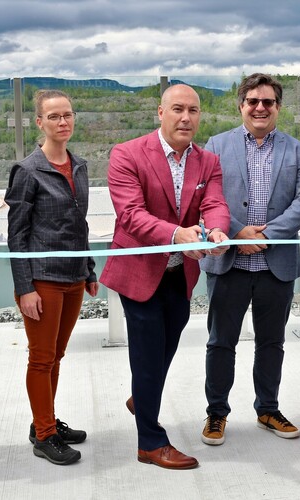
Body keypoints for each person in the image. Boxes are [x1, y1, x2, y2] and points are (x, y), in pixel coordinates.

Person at [100, 83, 230, 470]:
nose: (186, 117)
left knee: (166, 346)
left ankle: (142, 396)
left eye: (193, 110)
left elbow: (215, 203)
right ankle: (150, 442)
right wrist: (178, 234)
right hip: (139, 273)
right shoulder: (127, 154)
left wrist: (218, 232)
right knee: (147, 351)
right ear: (161, 112)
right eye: (177, 109)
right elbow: (131, 215)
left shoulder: (207, 161)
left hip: (180, 272)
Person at [200, 73, 300, 446]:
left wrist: (265, 235)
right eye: (253, 101)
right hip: (229, 263)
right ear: (241, 106)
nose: (260, 108)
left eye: (268, 102)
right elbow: (206, 199)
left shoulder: (297, 151)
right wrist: (238, 234)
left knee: (271, 343)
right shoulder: (216, 146)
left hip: (275, 265)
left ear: (278, 108)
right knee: (221, 342)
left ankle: (267, 408)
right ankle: (216, 413)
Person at [5, 89, 99, 466]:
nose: (63, 122)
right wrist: (24, 288)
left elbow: (80, 224)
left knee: (56, 355)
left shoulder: (79, 165)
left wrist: (89, 269)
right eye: (55, 116)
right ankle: (44, 435)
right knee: (41, 358)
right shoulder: (27, 170)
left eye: (68, 115)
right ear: (39, 122)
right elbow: (16, 235)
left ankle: (43, 422)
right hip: (43, 280)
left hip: (74, 276)